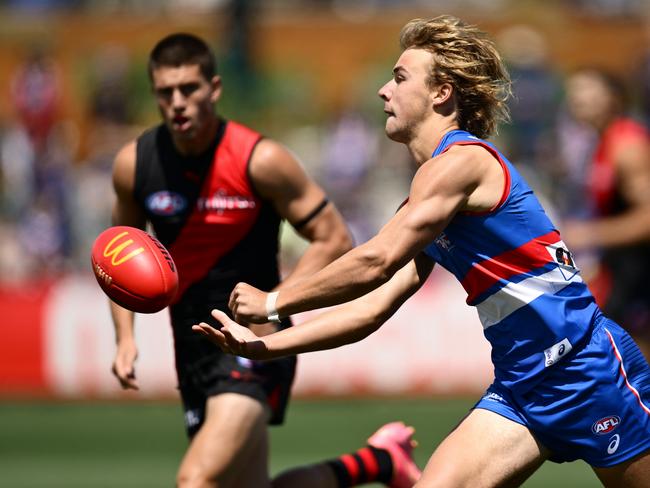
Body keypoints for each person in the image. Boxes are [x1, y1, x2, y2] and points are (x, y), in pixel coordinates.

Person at [194, 16, 650, 487]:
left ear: (441, 93)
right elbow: (371, 309)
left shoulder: (463, 164)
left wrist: (272, 302)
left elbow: (376, 260)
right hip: (521, 389)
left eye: (399, 77)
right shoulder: (426, 195)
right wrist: (265, 344)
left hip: (586, 371)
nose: (382, 91)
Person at [109, 33, 420, 488]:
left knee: (196, 480)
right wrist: (123, 338)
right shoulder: (134, 165)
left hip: (252, 343)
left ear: (214, 88)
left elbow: (333, 237)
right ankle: (377, 463)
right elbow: (120, 252)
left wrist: (275, 304)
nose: (177, 102)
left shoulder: (261, 159)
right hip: (192, 346)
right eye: (165, 92)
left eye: (189, 89)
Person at [560, 68, 650, 361]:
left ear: (613, 98)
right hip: (625, 268)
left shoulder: (627, 145)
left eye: (587, 89)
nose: (577, 97)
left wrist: (589, 235)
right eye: (574, 89)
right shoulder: (600, 143)